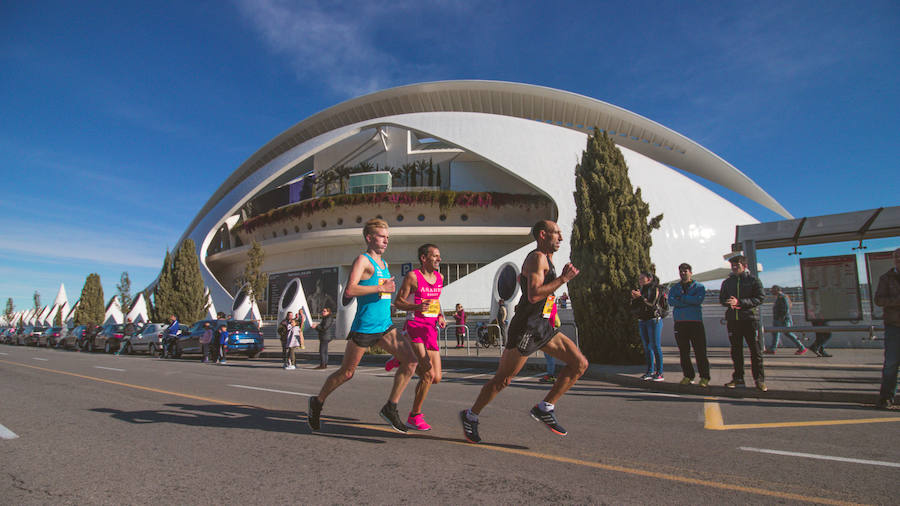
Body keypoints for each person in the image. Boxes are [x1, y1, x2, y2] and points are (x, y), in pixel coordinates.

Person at [460, 220, 588, 444]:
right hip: (527, 328)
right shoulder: (537, 257)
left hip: (544, 326)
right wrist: (563, 280)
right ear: (542, 234)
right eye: (556, 233)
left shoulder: (548, 258)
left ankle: (545, 407)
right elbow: (534, 295)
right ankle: (471, 416)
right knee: (503, 380)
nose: (561, 237)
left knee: (579, 364)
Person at [306, 218, 417, 433]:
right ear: (369, 238)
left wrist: (390, 302)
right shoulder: (363, 261)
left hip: (385, 325)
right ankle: (317, 402)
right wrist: (380, 287)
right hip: (365, 328)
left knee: (411, 361)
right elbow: (350, 291)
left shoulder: (384, 265)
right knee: (347, 373)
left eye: (387, 237)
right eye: (382, 237)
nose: (386, 241)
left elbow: (380, 292)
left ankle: (390, 407)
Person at [391, 243, 447, 430]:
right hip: (414, 327)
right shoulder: (413, 277)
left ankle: (403, 358)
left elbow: (436, 300)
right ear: (424, 258)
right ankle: (414, 416)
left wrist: (440, 315)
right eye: (435, 256)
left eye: (439, 256)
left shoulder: (440, 277)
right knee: (428, 374)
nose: (439, 259)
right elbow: (398, 302)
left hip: (430, 329)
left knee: (436, 377)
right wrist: (415, 307)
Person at [719, 255, 767, 391]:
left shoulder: (753, 280)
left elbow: (760, 298)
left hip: (750, 320)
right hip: (733, 320)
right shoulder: (727, 282)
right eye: (733, 265)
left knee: (755, 351)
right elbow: (722, 299)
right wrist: (728, 302)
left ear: (744, 266)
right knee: (736, 351)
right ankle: (738, 378)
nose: (734, 268)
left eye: (737, 265)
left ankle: (759, 380)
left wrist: (739, 302)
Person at [668, 263, 710, 386]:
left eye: (685, 271)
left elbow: (698, 300)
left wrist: (681, 299)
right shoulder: (675, 287)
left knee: (700, 351)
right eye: (681, 271)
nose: (683, 273)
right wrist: (688, 300)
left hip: (695, 323)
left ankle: (704, 377)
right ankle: (688, 376)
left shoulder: (699, 286)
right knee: (683, 352)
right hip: (680, 323)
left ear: (690, 272)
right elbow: (671, 301)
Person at [873, 248, 900, 410]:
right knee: (891, 363)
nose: (899, 260)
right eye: (896, 257)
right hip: (894, 326)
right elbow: (879, 300)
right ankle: (886, 398)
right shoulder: (886, 278)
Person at [631, 272, 664, 381]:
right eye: (639, 278)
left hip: (653, 320)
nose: (640, 280)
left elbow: (652, 305)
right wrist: (635, 299)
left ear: (649, 278)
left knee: (655, 346)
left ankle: (659, 372)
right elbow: (635, 306)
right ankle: (649, 371)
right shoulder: (641, 289)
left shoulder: (655, 289)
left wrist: (640, 298)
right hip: (642, 320)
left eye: (642, 278)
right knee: (647, 346)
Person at [765, 285, 807, 355]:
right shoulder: (779, 297)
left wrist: (782, 318)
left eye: (772, 290)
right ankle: (772, 349)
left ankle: (801, 347)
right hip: (778, 319)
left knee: (788, 333)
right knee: (775, 333)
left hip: (782, 319)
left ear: (777, 290)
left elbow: (786, 309)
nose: (771, 292)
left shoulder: (783, 297)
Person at [540, 311, 563, 384]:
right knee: (550, 355)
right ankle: (550, 375)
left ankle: (550, 375)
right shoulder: (551, 304)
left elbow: (546, 319)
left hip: (548, 332)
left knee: (549, 356)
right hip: (551, 330)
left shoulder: (548, 304)